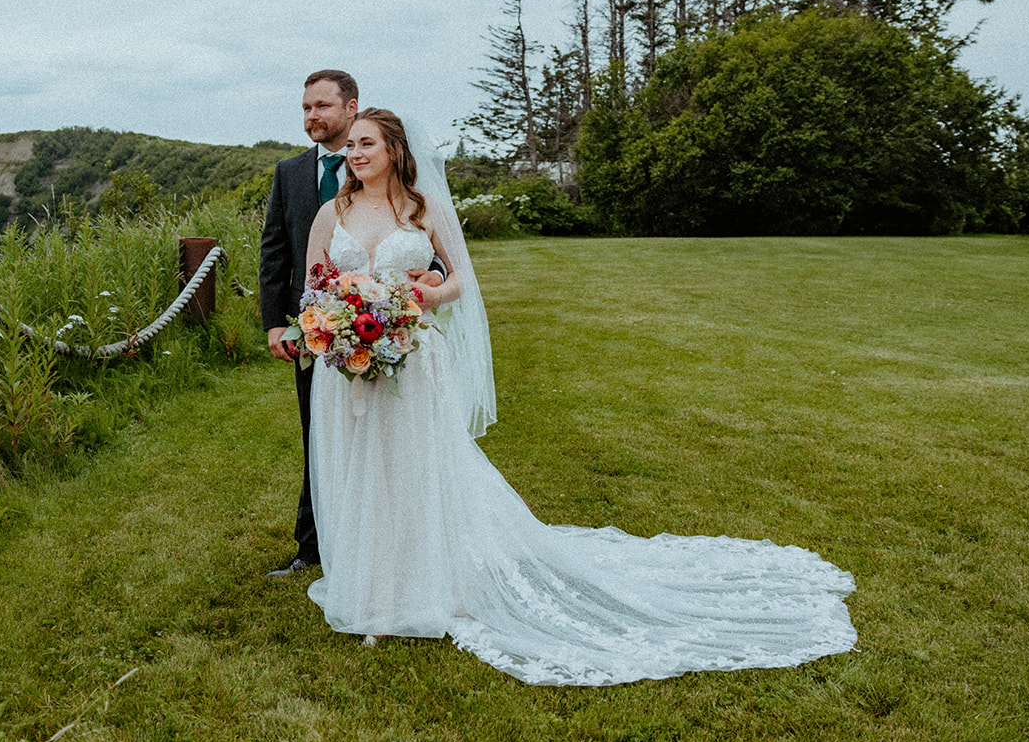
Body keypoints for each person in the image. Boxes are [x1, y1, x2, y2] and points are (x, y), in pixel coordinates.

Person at [299, 108, 857, 685]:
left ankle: (422, 589)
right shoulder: (331, 212)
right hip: (349, 367)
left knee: (415, 470)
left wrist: (432, 295)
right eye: (354, 145)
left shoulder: (422, 209)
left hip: (413, 359)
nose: (356, 153)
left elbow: (462, 277)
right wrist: (332, 325)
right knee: (358, 470)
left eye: (368, 143)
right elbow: (314, 285)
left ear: (394, 149)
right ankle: (371, 591)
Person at [259, 72, 440, 578]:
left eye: (321, 106)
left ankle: (398, 542)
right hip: (321, 331)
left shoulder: (401, 185)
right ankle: (315, 548)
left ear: (350, 107)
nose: (311, 116)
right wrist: (278, 323)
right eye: (305, 108)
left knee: (393, 439)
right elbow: (275, 252)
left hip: (394, 327)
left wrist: (431, 279)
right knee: (322, 434)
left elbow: (430, 252)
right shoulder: (290, 172)